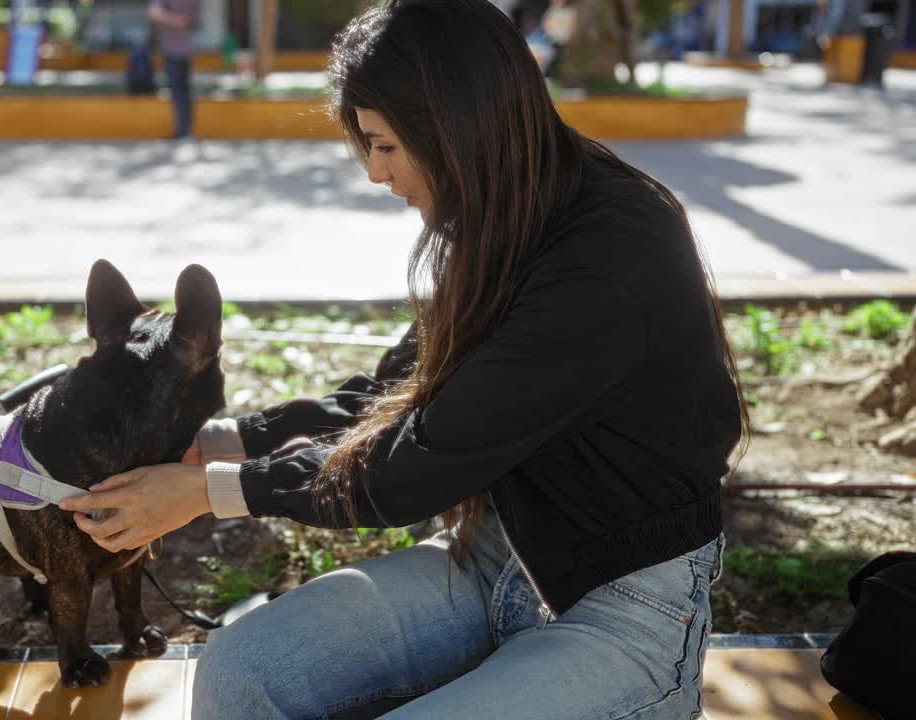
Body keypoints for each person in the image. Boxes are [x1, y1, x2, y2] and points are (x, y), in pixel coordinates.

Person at [59, 0, 746, 717]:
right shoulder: (499, 218)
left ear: (452, 123)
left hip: (624, 607)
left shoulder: (608, 256)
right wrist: (224, 441)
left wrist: (210, 492)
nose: (375, 175)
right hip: (493, 559)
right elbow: (392, 392)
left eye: (385, 146)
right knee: (240, 669)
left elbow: (414, 467)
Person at [149, 0, 198, 139]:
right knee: (180, 91)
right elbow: (154, 13)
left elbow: (155, 13)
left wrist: (168, 18)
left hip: (179, 51)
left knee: (181, 92)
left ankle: (184, 131)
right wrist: (175, 20)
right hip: (175, 50)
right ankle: (184, 130)